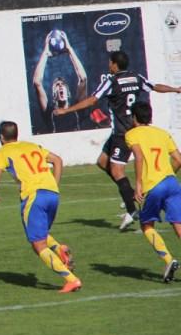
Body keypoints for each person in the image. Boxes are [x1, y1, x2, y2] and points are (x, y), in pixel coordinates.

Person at [54, 50, 181, 230]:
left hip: (124, 134)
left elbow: (92, 101)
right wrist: (175, 89)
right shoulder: (136, 77)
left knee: (116, 170)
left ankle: (132, 208)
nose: (108, 65)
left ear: (114, 64)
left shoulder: (111, 81)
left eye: (110, 62)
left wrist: (66, 110)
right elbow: (155, 86)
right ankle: (129, 196)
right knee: (102, 161)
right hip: (120, 132)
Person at [0, 121, 82, 293]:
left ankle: (71, 279)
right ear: (17, 134)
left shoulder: (3, 151)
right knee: (40, 234)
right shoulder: (32, 145)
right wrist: (54, 184)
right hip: (52, 194)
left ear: (1, 137)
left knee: (37, 245)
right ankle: (59, 249)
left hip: (33, 196)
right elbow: (58, 160)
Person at [125, 102, 181, 283]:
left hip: (153, 186)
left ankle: (168, 260)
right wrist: (169, 175)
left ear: (134, 118)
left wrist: (139, 184)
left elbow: (139, 157)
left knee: (146, 225)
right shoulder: (162, 133)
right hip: (172, 182)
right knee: (178, 225)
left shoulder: (132, 134)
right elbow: (178, 159)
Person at [32, 29, 87, 133]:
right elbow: (37, 82)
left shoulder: (77, 109)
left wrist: (69, 49)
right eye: (57, 85)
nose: (61, 86)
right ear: (53, 94)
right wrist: (45, 53)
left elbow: (83, 79)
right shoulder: (49, 112)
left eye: (63, 85)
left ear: (69, 93)